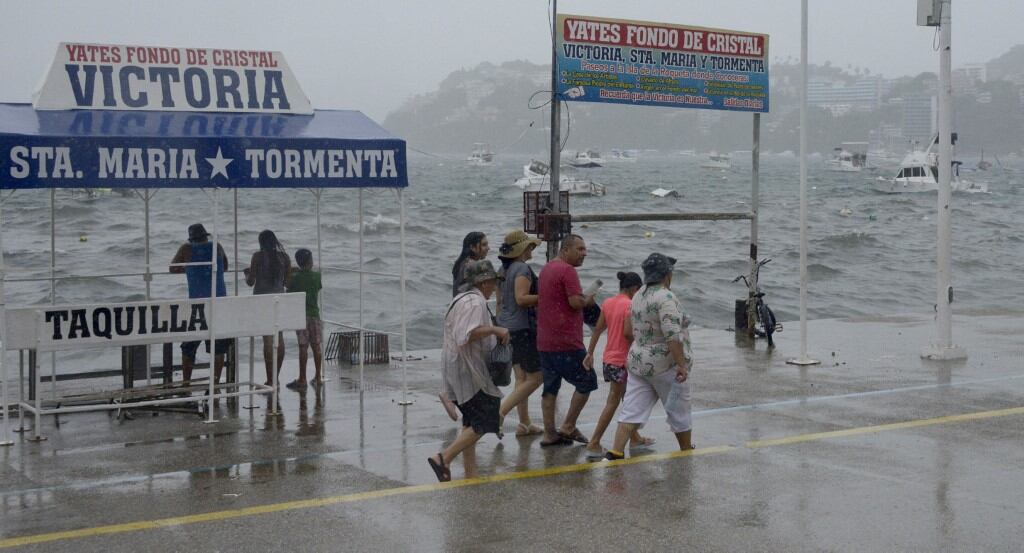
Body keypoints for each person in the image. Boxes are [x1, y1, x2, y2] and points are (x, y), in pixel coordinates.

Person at [428, 260, 510, 482]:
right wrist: (496, 329)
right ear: (484, 282)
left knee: (470, 419)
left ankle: (470, 471)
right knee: (485, 419)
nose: (494, 286)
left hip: (456, 365)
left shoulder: (460, 299)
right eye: (493, 282)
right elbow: (468, 333)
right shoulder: (475, 302)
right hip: (468, 369)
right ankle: (443, 458)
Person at [606, 253, 694, 460]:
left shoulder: (639, 295)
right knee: (678, 409)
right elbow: (672, 335)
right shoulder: (666, 297)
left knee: (632, 409)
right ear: (667, 275)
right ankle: (686, 450)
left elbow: (629, 330)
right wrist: (681, 365)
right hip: (665, 365)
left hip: (638, 362)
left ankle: (616, 451)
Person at [582, 271, 654, 458]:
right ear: (635, 289)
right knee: (614, 400)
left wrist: (589, 353)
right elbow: (629, 334)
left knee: (626, 399)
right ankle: (594, 442)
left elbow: (597, 330)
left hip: (608, 360)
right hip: (623, 362)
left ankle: (635, 437)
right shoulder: (631, 305)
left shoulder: (608, 303)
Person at [536, 234, 598, 447]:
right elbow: (574, 302)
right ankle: (569, 425)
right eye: (580, 249)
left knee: (550, 386)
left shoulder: (547, 268)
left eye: (585, 249)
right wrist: (587, 300)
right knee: (587, 380)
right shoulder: (567, 270)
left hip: (545, 340)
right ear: (566, 250)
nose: (584, 253)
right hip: (566, 341)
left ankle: (549, 433)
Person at [495, 230, 544, 437]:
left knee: (521, 378)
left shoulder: (502, 269)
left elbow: (499, 302)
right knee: (537, 377)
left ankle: (524, 423)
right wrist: (546, 296)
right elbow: (521, 298)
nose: (532, 250)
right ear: (522, 249)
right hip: (522, 329)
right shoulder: (522, 268)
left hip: (505, 327)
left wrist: (500, 325)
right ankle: (500, 412)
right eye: (530, 247)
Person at [169, 223, 231, 387]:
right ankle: (215, 385)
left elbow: (172, 268)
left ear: (191, 238)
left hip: (197, 304)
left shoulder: (186, 249)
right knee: (218, 348)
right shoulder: (216, 246)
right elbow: (225, 266)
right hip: (219, 302)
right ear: (205, 236)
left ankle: (186, 383)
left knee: (189, 346)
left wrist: (190, 269)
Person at [440, 231, 490, 419]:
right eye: (483, 245)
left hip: (456, 313)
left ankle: (450, 395)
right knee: (464, 360)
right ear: (473, 247)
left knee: (455, 357)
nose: (487, 248)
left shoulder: (461, 263)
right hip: (467, 315)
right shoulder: (472, 266)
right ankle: (453, 397)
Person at [244, 230, 291, 387]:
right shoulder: (284, 257)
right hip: (279, 300)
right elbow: (287, 282)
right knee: (280, 338)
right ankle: (275, 377)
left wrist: (247, 274)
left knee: (267, 340)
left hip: (262, 301)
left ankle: (270, 379)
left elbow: (251, 281)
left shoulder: (257, 257)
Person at [286, 248, 323, 390]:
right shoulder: (317, 276)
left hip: (301, 315)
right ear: (310, 262)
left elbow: (289, 290)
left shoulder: (296, 278)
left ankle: (302, 378)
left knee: (303, 347)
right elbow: (318, 288)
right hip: (315, 314)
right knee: (316, 346)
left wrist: (292, 272)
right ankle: (318, 377)